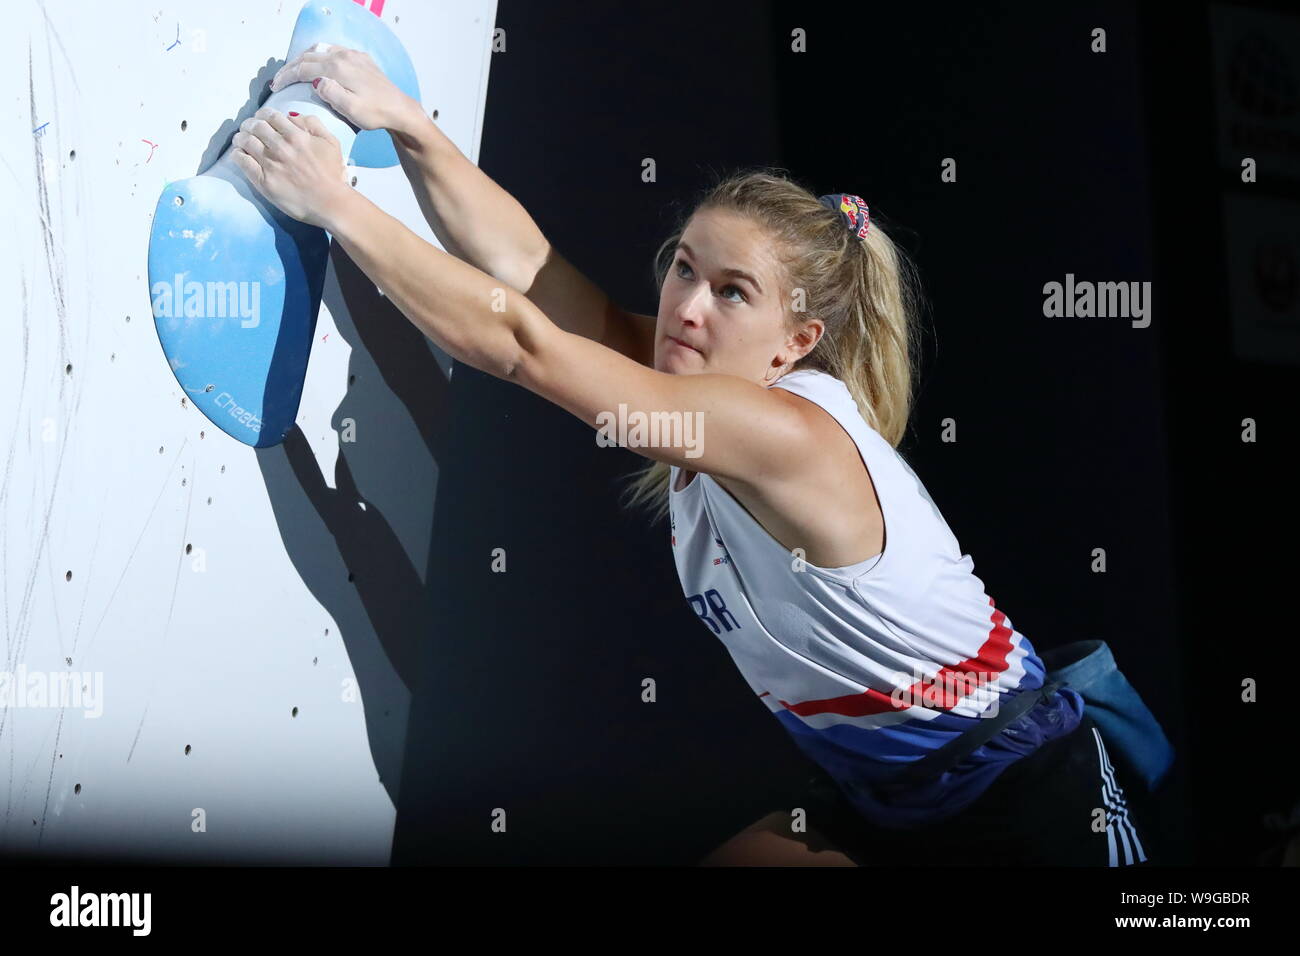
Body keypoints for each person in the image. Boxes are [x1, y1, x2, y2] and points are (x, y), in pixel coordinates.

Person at [234, 47, 1163, 867]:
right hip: (895, 804)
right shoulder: (700, 381)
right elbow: (536, 277)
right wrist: (407, 125)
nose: (688, 307)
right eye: (684, 267)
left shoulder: (785, 433)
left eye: (732, 293)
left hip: (1031, 798)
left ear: (795, 341)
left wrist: (337, 207)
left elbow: (525, 347)